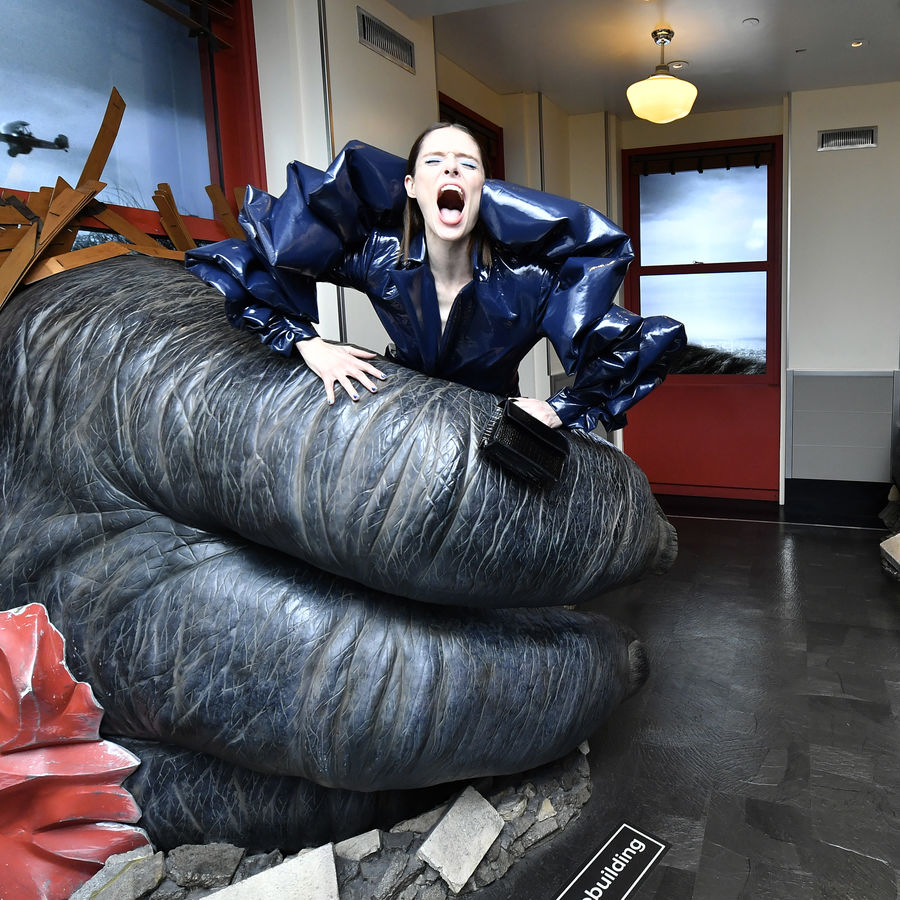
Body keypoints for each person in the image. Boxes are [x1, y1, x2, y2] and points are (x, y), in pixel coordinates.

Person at [186, 123, 685, 432]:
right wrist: (308, 343)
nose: (451, 172)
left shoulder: (529, 282)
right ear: (412, 187)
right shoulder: (380, 258)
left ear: (483, 188)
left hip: (490, 427)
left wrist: (560, 407)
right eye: (435, 162)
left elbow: (639, 346)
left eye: (467, 164)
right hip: (408, 419)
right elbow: (244, 259)